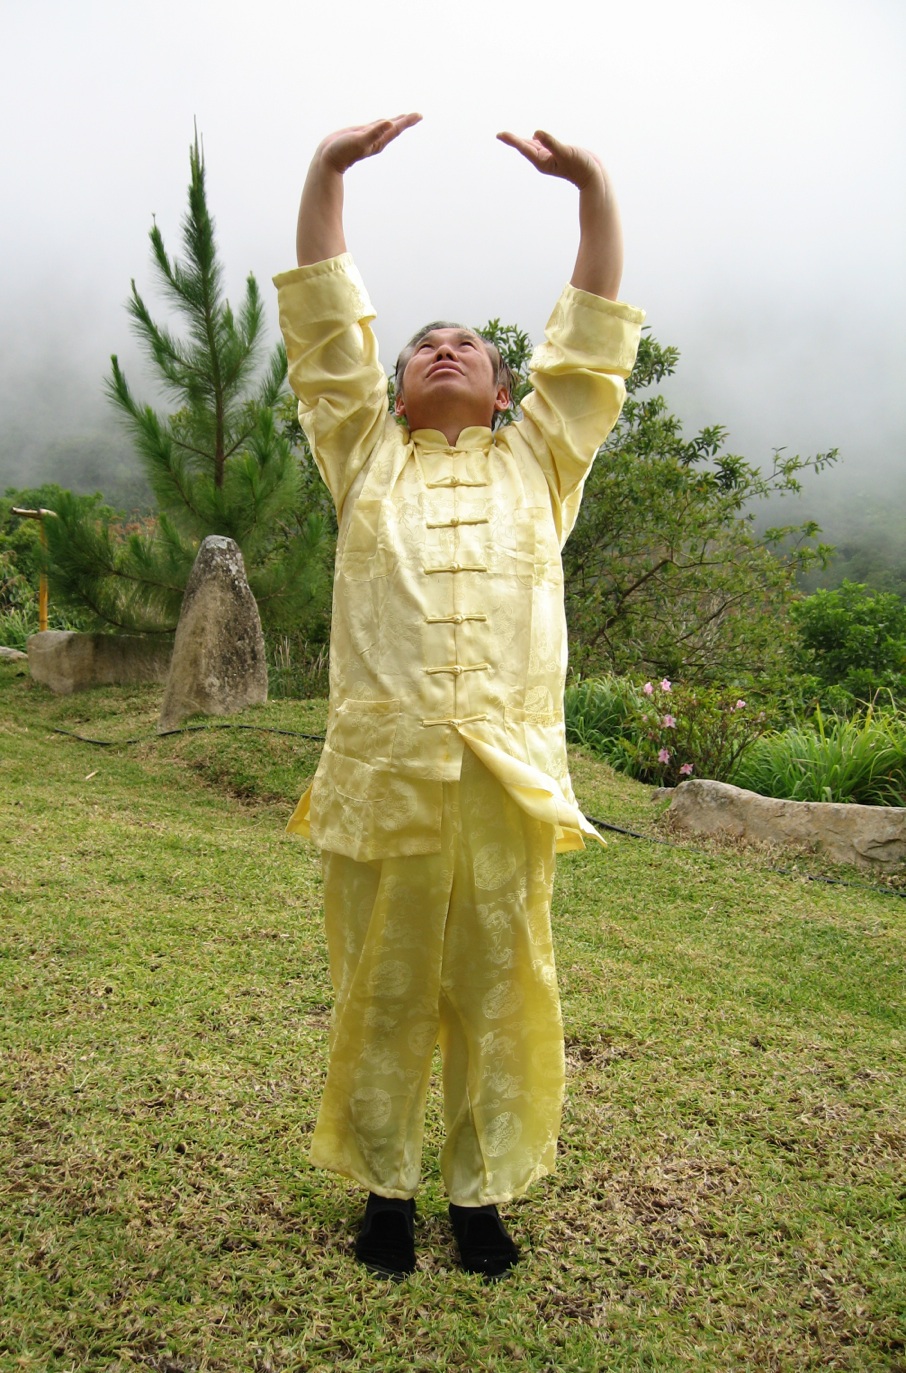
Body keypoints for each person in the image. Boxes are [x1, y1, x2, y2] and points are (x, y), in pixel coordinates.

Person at [274, 115, 644, 1280]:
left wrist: (593, 190)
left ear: (502, 390)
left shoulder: (541, 461)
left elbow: (589, 348)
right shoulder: (363, 456)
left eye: (469, 345)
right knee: (379, 991)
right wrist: (325, 173)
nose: (444, 349)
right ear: (391, 392)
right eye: (424, 346)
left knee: (501, 993)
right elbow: (326, 338)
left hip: (505, 781)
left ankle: (482, 1193)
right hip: (381, 777)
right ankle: (385, 1189)